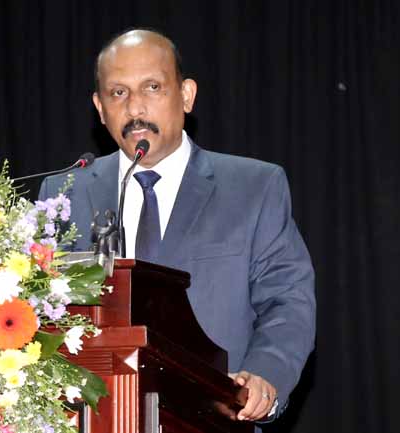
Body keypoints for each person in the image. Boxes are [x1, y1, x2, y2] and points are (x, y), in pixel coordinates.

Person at [39, 28, 316, 425]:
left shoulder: (253, 187)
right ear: (100, 108)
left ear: (186, 95)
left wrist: (265, 374)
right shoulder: (66, 191)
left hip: (215, 417)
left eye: (152, 87)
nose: (135, 108)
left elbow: (287, 301)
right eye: (118, 93)